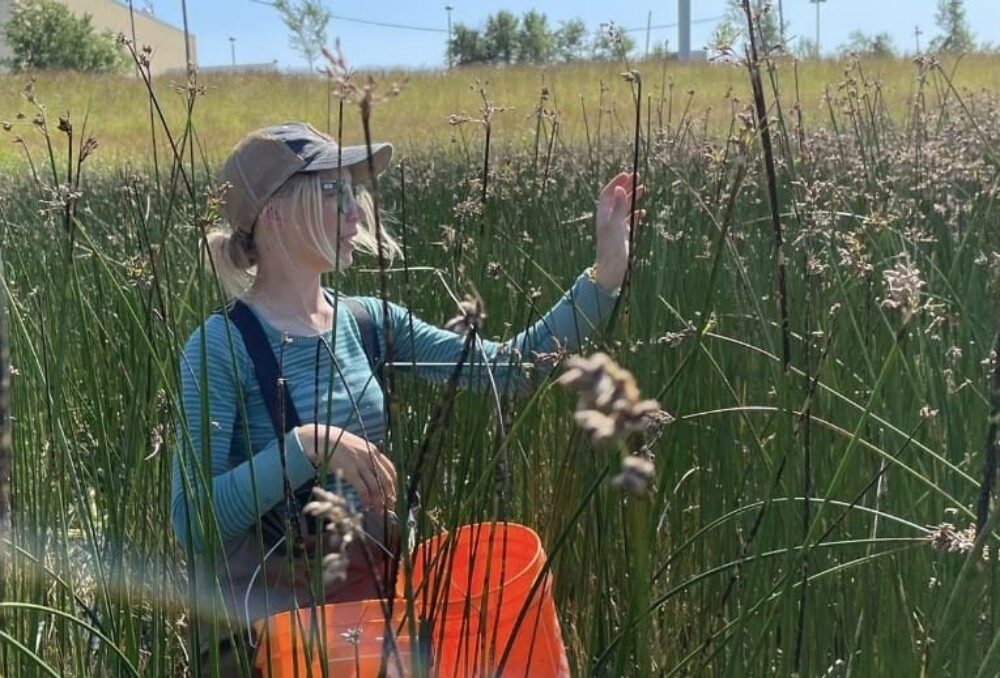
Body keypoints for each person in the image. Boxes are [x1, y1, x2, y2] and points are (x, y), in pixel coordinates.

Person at [170, 121, 644, 675]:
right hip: (277, 642)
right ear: (274, 213)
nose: (356, 212)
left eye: (355, 192)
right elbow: (192, 520)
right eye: (334, 192)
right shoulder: (220, 346)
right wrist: (308, 445)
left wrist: (605, 272)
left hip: (381, 619)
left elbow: (511, 368)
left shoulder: (368, 320)